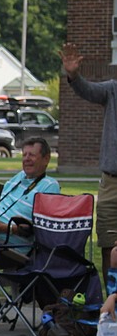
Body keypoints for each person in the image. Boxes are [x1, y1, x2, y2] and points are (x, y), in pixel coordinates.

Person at [62, 42, 117, 278]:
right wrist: (73, 75)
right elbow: (88, 90)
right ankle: (112, 304)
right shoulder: (113, 90)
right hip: (111, 182)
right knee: (108, 244)